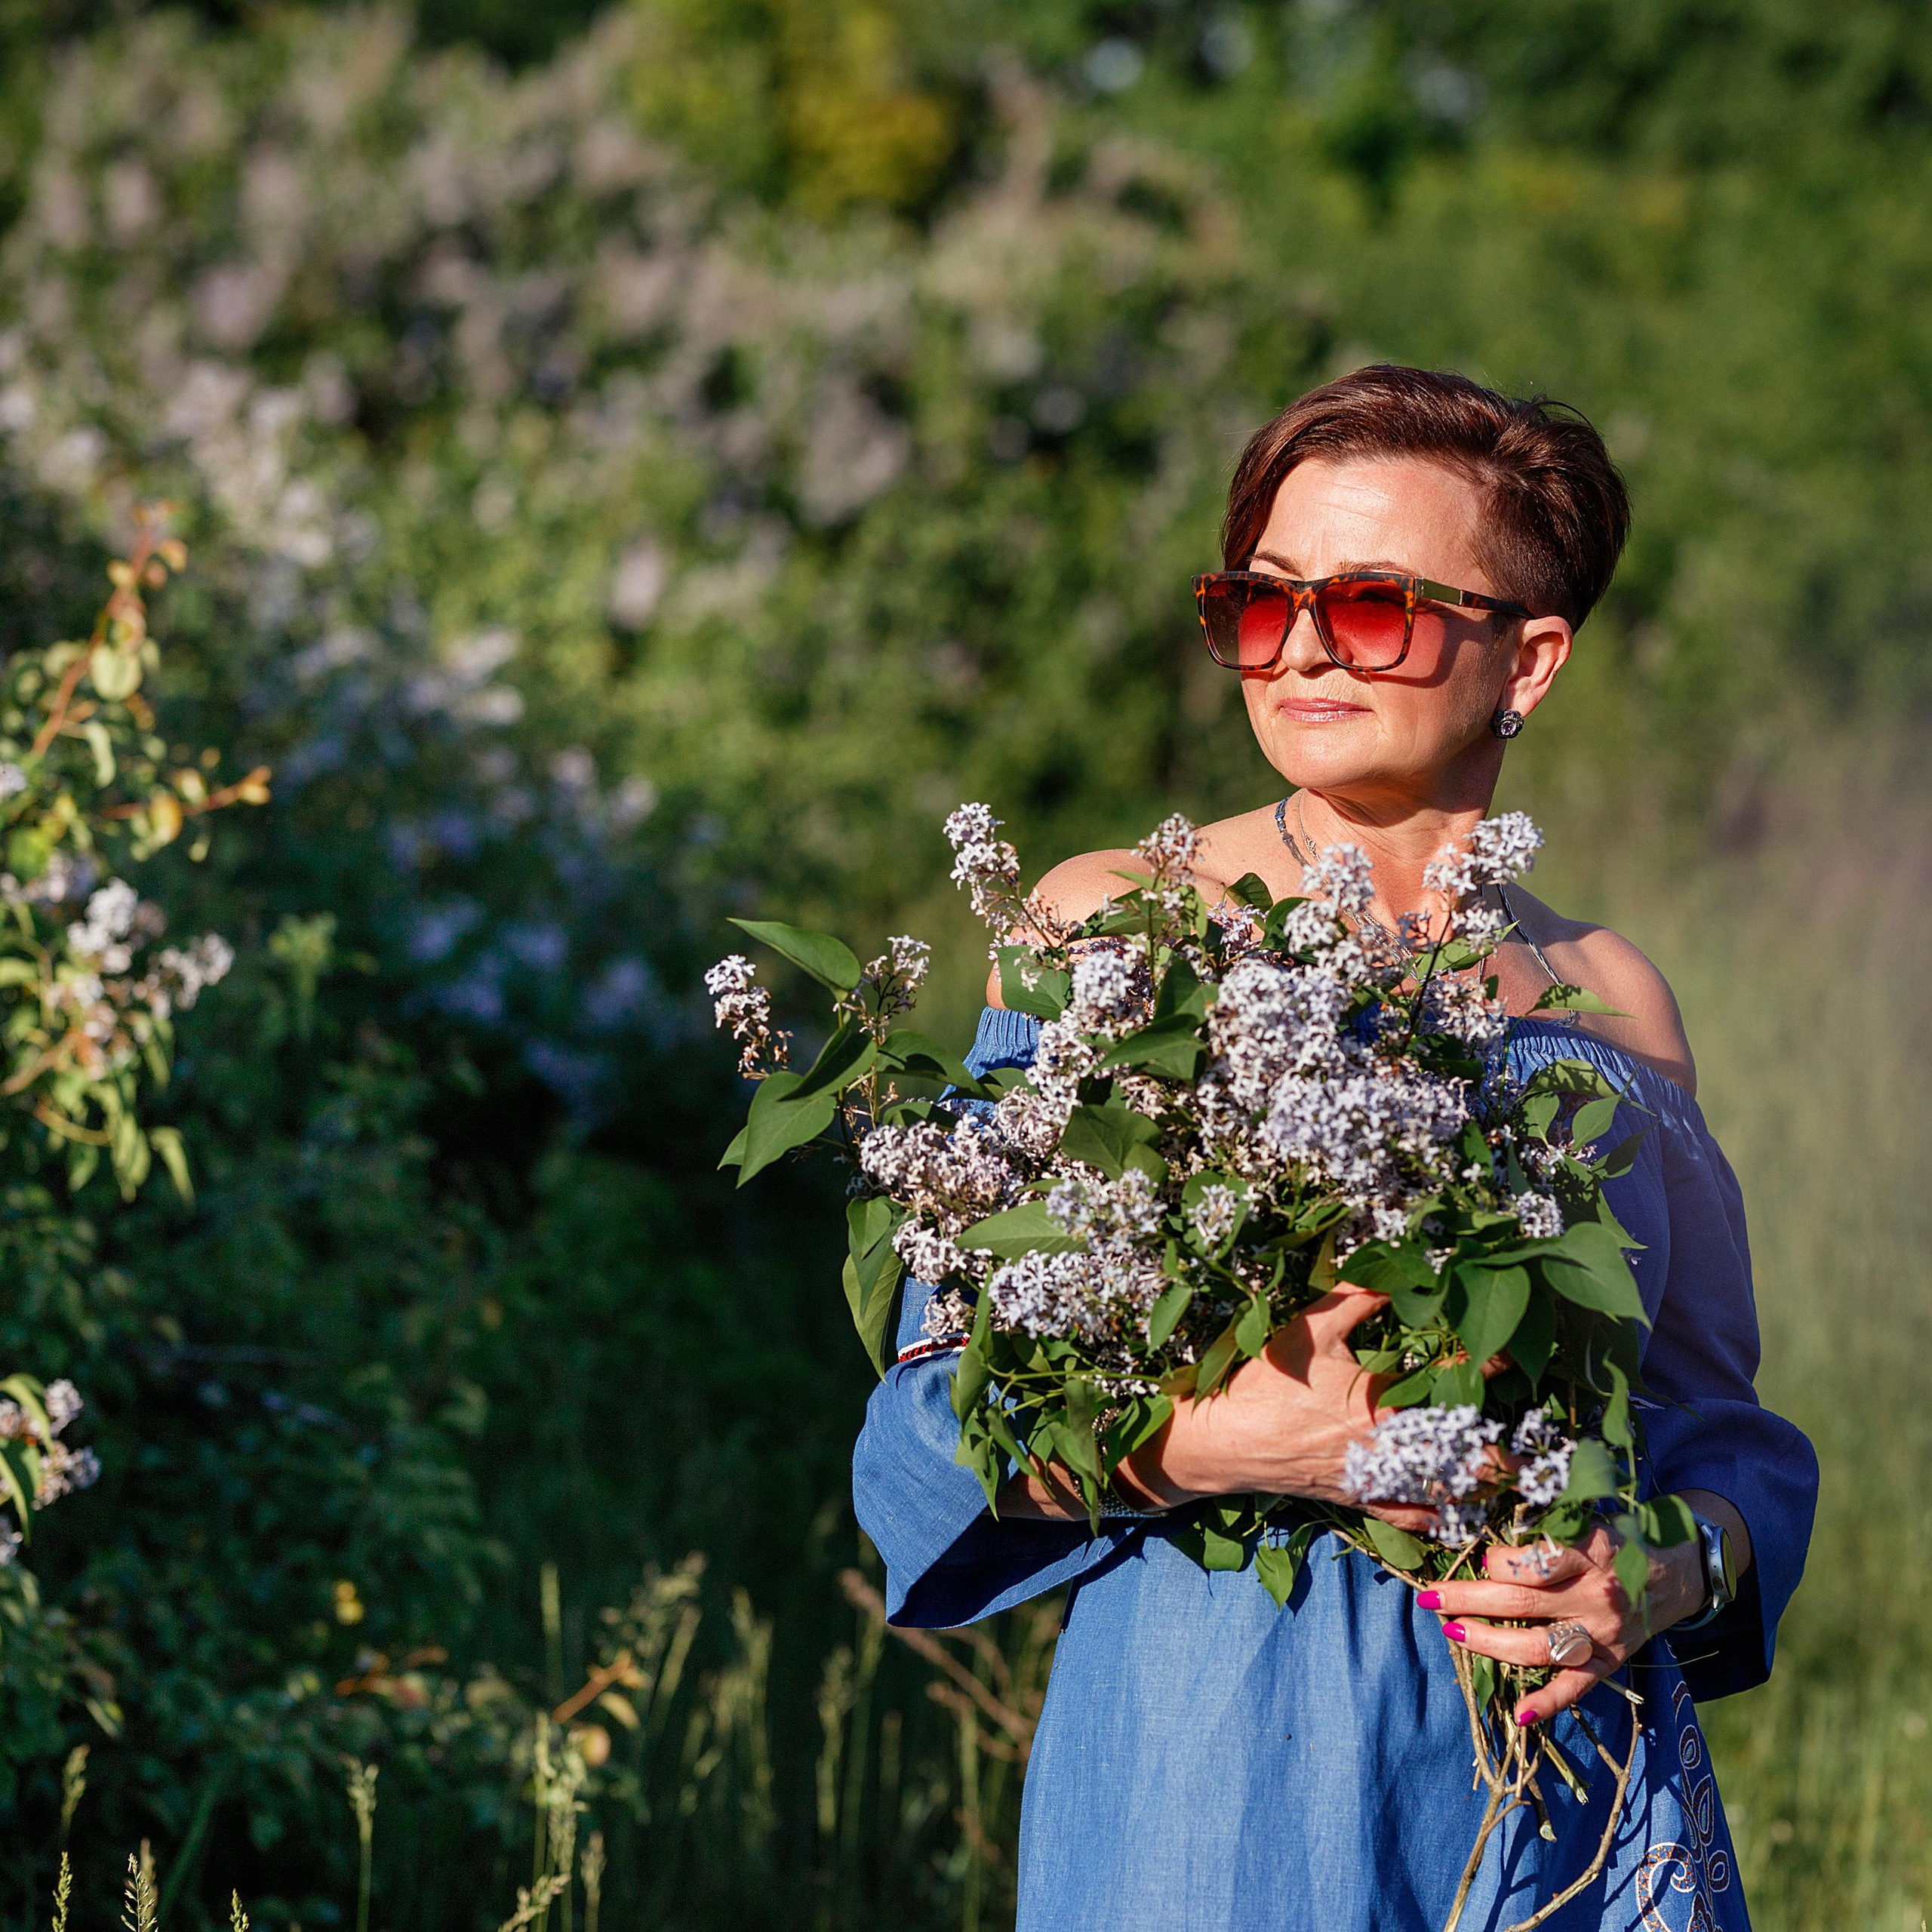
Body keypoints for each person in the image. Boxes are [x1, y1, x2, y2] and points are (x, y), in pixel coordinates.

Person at [852, 365, 1817, 1930]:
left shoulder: (1608, 996)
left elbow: (1715, 1430)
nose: (1300, 644)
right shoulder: (1112, 929)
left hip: (1567, 1787)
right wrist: (1247, 1438)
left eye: (1369, 604)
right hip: (1224, 1750)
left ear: (1531, 654)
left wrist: (1660, 1568)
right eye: (1259, 601)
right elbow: (930, 1414)